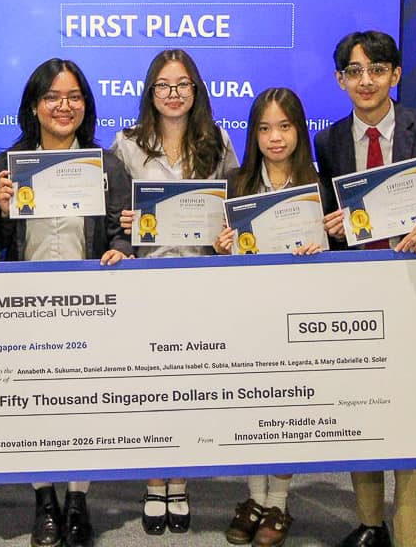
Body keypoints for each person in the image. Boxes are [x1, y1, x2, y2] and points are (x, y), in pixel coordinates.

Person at [313, 31, 416, 547]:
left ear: (395, 75)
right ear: (340, 80)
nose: (366, 81)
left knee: (415, 415)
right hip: (357, 293)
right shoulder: (329, 141)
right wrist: (332, 228)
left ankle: (411, 533)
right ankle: (369, 521)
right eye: (354, 72)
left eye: (377, 69)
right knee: (362, 408)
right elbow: (333, 218)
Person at [0, 58, 133, 547]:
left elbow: (120, 233)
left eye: (73, 97)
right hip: (24, 304)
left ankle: (77, 500)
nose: (63, 106)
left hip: (89, 301)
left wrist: (122, 249)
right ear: (35, 105)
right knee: (35, 404)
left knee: (84, 403)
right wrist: (3, 211)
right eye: (53, 97)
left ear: (85, 106)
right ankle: (43, 499)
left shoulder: (107, 165)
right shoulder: (4, 167)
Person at [109, 48, 238, 536]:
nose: (174, 94)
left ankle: (179, 482)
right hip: (146, 280)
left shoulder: (219, 141)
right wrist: (122, 220)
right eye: (164, 85)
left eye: (183, 85)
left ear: (196, 91)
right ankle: (153, 481)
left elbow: (235, 207)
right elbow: (116, 212)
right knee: (148, 385)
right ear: (150, 92)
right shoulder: (126, 145)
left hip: (201, 279)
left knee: (188, 383)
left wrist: (228, 232)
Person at [214, 87, 323, 547]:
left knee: (286, 407)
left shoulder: (319, 183)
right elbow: (224, 257)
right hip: (248, 312)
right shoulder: (237, 185)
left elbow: (341, 252)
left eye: (284, 126)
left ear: (299, 130)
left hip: (298, 314)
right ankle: (253, 499)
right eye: (264, 128)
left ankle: (279, 501)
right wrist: (221, 247)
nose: (274, 138)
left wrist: (324, 245)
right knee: (249, 405)